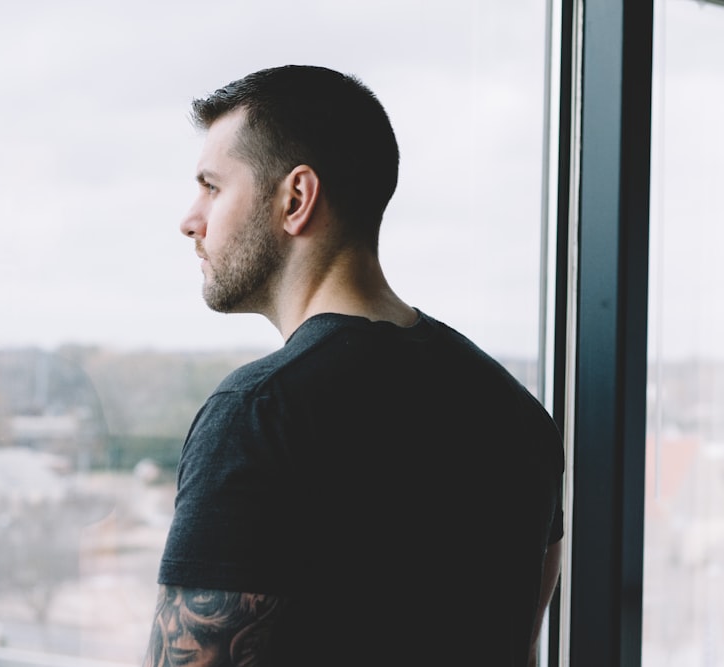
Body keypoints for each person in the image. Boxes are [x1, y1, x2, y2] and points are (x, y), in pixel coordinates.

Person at [143, 65, 565, 667]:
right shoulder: (518, 415)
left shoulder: (260, 414)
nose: (191, 218)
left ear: (296, 199)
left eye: (212, 186)